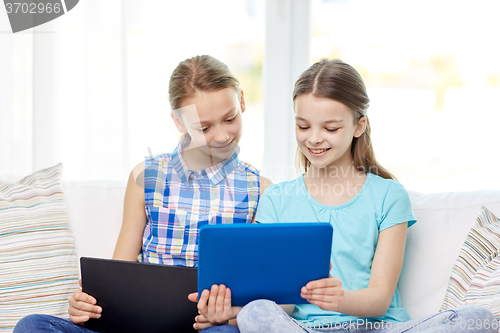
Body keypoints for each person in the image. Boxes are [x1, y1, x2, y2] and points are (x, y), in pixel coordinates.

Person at [193, 59, 497, 333]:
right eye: (303, 126)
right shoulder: (277, 198)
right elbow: (279, 305)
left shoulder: (389, 195)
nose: (313, 138)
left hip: (378, 329)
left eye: (331, 127)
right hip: (305, 330)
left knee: (475, 317)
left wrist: (340, 299)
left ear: (358, 125)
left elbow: (379, 299)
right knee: (257, 312)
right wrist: (232, 312)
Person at [13, 55, 271, 333]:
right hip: (137, 327)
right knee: (32, 325)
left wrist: (228, 317)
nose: (221, 136)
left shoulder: (260, 189)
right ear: (179, 122)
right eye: (204, 128)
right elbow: (119, 276)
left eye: (230, 118)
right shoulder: (147, 177)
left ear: (242, 101)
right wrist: (86, 305)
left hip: (206, 329)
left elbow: (262, 298)